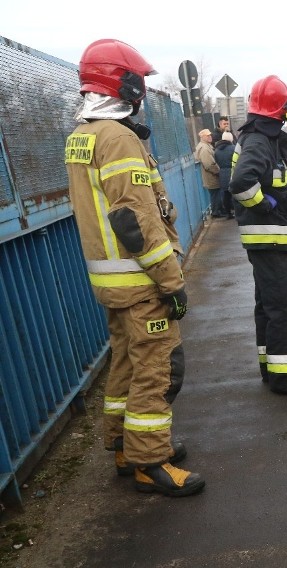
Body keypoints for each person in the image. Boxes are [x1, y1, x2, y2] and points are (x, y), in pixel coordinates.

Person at [63, 38, 204, 497]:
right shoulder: (117, 137)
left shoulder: (81, 136)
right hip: (142, 281)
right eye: (136, 79)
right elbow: (134, 219)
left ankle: (125, 446)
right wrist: (171, 281)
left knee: (125, 364)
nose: (140, 87)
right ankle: (151, 462)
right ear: (118, 82)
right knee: (157, 369)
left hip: (111, 282)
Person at [228, 75, 287, 397]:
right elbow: (241, 184)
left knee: (268, 305)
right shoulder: (259, 141)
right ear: (282, 109)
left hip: (267, 236)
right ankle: (285, 378)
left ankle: (274, 364)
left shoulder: (262, 138)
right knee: (286, 307)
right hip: (268, 235)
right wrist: (268, 206)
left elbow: (272, 182)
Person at [195, 128, 223, 217]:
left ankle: (217, 211)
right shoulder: (204, 148)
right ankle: (216, 212)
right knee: (215, 194)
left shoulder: (205, 146)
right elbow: (209, 164)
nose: (210, 137)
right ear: (203, 137)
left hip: (210, 176)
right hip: (211, 176)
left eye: (210, 135)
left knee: (215, 194)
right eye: (208, 135)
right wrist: (218, 171)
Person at [214, 131, 236, 218]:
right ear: (230, 139)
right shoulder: (233, 148)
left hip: (222, 173)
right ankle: (237, 211)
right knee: (235, 193)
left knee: (226, 194)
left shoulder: (217, 150)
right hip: (232, 172)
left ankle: (228, 213)